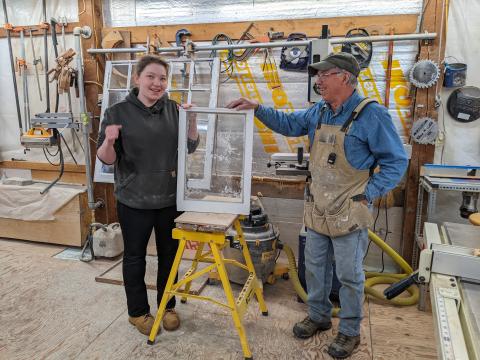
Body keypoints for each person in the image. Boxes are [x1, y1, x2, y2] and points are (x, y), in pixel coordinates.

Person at [227, 52, 408, 359]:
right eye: (318, 75)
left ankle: (349, 332)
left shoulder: (371, 114)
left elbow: (397, 161)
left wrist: (369, 192)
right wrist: (257, 108)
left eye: (326, 74)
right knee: (314, 267)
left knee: (350, 275)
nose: (318, 80)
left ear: (346, 78)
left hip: (349, 210)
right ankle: (319, 315)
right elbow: (287, 123)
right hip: (318, 207)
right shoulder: (320, 112)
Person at [97, 55, 199, 336]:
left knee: (170, 256)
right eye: (151, 77)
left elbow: (189, 147)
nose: (157, 83)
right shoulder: (118, 112)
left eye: (163, 78)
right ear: (137, 79)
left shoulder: (175, 109)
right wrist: (109, 139)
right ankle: (138, 313)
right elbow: (105, 159)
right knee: (134, 257)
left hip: (169, 198)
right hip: (134, 199)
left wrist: (192, 121)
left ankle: (167, 306)